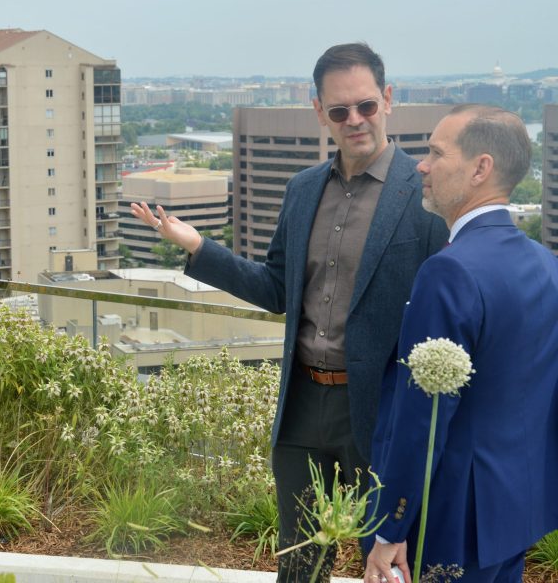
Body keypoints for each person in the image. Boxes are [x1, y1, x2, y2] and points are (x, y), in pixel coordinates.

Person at [131, 43, 448, 582]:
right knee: (301, 562)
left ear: (388, 100)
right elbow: (277, 289)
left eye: (366, 106)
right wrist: (197, 247)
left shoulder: (424, 193)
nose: (355, 121)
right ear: (319, 112)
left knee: (392, 561)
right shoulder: (303, 191)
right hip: (302, 404)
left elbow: (444, 309)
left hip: (380, 410)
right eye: (341, 110)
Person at [364, 105, 558, 583]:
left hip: (450, 518)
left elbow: (422, 414)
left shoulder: (449, 272)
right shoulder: (546, 264)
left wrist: (390, 528)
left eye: (435, 152)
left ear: (481, 168)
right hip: (516, 510)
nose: (421, 165)